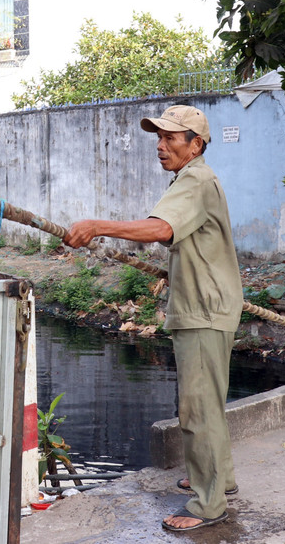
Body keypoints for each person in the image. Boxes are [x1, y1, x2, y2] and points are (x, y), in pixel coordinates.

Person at [63, 105, 242, 532]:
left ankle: (208, 504)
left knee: (197, 410)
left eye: (170, 138)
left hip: (204, 311)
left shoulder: (195, 178)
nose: (161, 146)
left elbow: (161, 228)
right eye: (158, 138)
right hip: (209, 306)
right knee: (209, 402)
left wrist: (96, 225)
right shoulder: (196, 178)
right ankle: (221, 479)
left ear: (195, 144)